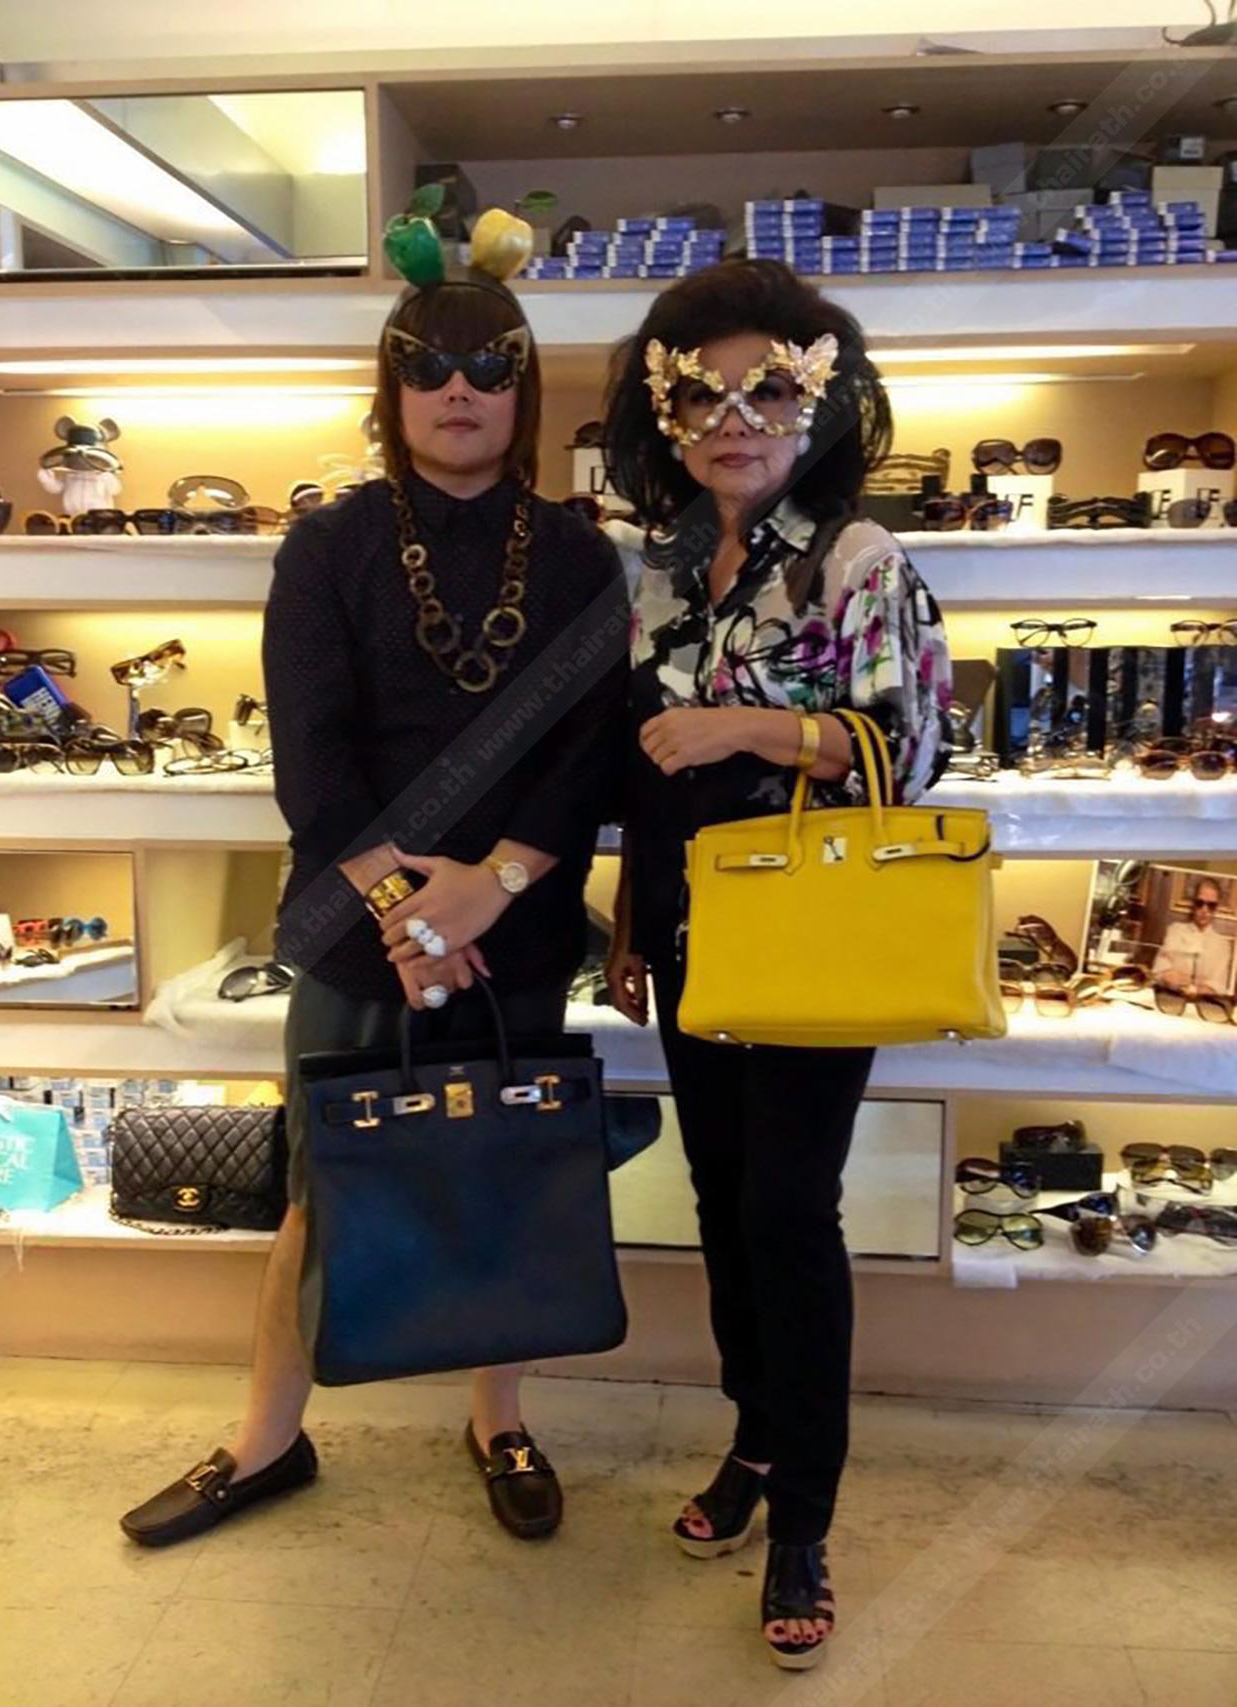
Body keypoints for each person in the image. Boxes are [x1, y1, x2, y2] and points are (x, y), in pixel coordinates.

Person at [120, 217, 629, 1550]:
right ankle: (266, 1438)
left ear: (524, 389)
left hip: (516, 924)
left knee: (505, 1167)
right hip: (356, 928)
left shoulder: (579, 558)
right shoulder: (328, 546)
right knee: (320, 1186)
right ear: (392, 387)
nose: (459, 388)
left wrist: (492, 884)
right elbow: (313, 752)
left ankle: (497, 1418)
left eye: (489, 364)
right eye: (428, 365)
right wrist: (410, 907)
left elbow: (585, 758)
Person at [601, 259, 952, 1670]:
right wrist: (629, 916)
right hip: (691, 928)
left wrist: (746, 727)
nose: (733, 420)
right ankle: (755, 1437)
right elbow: (643, 766)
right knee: (723, 1201)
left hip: (810, 928)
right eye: (701, 394)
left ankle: (803, 1512)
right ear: (665, 412)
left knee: (791, 1210)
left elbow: (908, 752)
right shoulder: (665, 564)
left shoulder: (856, 558)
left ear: (819, 399)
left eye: (766, 391)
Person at [1153, 876, 1233, 995]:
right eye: (1200, 903)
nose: (1204, 910)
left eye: (1211, 905)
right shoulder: (1175, 931)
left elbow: (1218, 987)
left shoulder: (1222, 945)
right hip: (1170, 997)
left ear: (1216, 908)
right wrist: (1170, 978)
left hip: (1203, 1003)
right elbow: (1159, 972)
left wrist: (1194, 989)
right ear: (1193, 904)